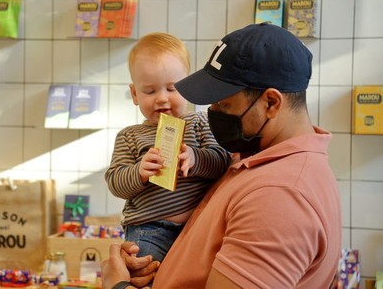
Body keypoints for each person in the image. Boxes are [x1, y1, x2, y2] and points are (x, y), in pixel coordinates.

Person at [101, 23, 342, 289]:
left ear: (271, 103)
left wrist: (118, 286)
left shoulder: (280, 195)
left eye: (223, 104)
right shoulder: (257, 156)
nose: (212, 111)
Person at [105, 32, 231, 264]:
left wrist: (196, 158)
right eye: (150, 91)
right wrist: (139, 172)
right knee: (142, 271)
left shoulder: (200, 123)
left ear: (188, 85)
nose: (162, 99)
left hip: (199, 227)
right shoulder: (130, 136)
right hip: (148, 230)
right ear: (134, 94)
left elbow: (223, 161)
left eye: (172, 89)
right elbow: (115, 182)